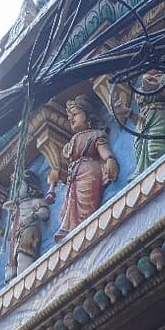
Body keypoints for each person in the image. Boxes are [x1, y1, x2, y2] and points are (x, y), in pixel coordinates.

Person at [48, 96, 119, 240]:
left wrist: (110, 160)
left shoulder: (96, 134)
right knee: (71, 202)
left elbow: (104, 151)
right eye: (70, 117)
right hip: (73, 175)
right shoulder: (71, 142)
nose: (71, 119)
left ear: (87, 115)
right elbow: (66, 169)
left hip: (89, 171)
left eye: (75, 114)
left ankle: (86, 226)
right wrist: (56, 176)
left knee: (85, 201)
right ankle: (69, 228)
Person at [121, 68, 165, 176]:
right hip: (143, 124)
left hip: (159, 116)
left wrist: (158, 87)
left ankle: (162, 175)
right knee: (141, 150)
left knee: (155, 149)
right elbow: (140, 117)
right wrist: (128, 114)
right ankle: (145, 176)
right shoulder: (139, 89)